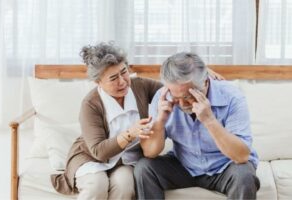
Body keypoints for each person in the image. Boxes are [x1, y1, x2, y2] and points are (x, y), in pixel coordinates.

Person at [50, 42, 223, 200]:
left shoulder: (139, 85)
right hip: (92, 157)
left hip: (124, 160)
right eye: (113, 78)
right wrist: (130, 134)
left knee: (125, 187)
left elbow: (173, 88)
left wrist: (199, 75)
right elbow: (98, 151)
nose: (122, 81)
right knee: (97, 186)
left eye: (124, 72)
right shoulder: (91, 104)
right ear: (98, 82)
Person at [134, 52, 260, 200]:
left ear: (205, 83)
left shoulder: (232, 96)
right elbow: (149, 152)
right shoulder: (162, 98)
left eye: (188, 96)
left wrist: (210, 121)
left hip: (226, 166)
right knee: (144, 168)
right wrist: (160, 120)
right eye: (176, 97)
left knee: (244, 176)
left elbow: (241, 156)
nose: (182, 104)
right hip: (184, 165)